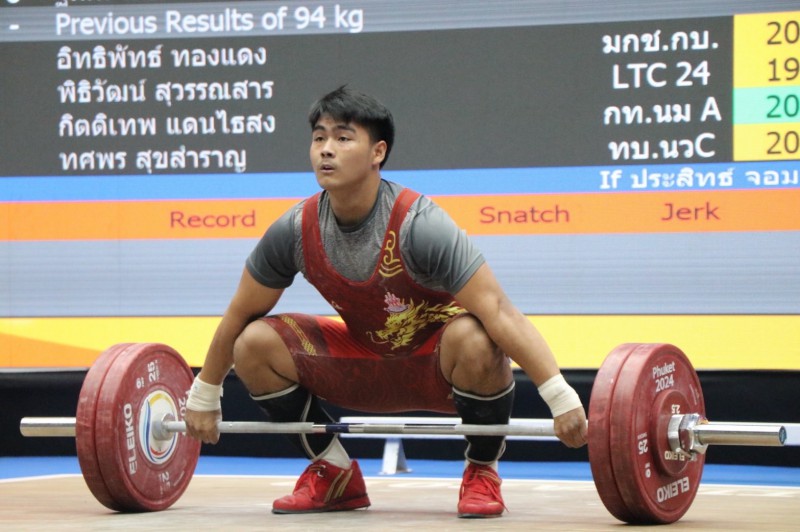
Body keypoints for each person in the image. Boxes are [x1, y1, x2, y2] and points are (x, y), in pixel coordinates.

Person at [184, 86, 587, 518]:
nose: (326, 150)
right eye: (319, 138)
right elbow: (239, 313)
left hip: (442, 369)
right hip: (362, 365)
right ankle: (333, 472)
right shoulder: (295, 229)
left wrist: (561, 398)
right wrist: (204, 394)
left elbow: (499, 310)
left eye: (343, 138)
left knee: (477, 335)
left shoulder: (419, 224)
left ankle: (481, 470)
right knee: (253, 342)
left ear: (378, 152)